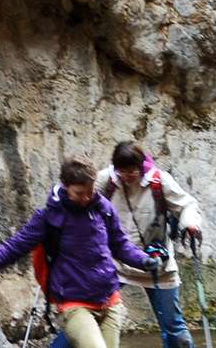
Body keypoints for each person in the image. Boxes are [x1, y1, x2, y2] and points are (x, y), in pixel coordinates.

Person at [0, 157, 161, 348]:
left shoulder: (103, 208)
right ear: (65, 187)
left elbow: (120, 245)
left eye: (90, 191)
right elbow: (11, 249)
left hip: (110, 302)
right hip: (74, 305)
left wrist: (144, 261)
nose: (86, 198)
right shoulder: (49, 217)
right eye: (79, 193)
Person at [49, 143, 204, 348]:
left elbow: (187, 205)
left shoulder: (159, 181)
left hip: (155, 264)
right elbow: (73, 195)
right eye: (122, 171)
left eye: (132, 171)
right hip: (115, 263)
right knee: (82, 313)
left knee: (174, 329)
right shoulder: (107, 180)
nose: (127, 176)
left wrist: (190, 223)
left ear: (141, 166)